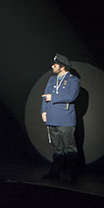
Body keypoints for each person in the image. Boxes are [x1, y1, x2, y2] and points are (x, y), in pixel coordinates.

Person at [41, 53, 80, 183]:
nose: (52, 66)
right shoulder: (52, 79)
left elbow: (71, 96)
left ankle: (72, 174)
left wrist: (53, 98)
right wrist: (43, 111)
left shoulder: (73, 80)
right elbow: (45, 96)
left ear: (62, 67)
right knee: (57, 148)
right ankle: (55, 172)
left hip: (65, 119)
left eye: (55, 64)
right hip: (52, 117)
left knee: (69, 148)